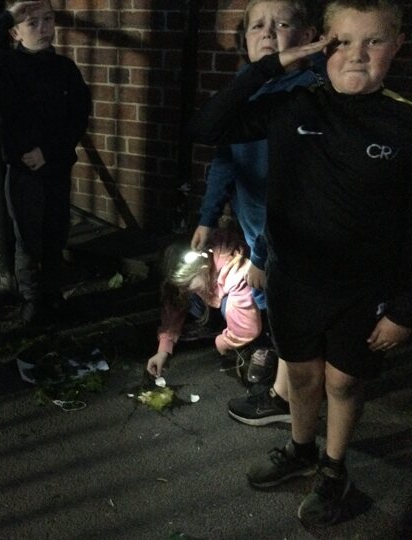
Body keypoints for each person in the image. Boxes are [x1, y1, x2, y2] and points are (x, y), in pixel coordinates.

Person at [191, 0, 412, 527]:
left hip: (365, 290)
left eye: (374, 41)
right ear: (320, 45)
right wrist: (275, 65)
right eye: (342, 42)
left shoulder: (405, 121)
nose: (357, 55)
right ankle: (301, 449)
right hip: (293, 280)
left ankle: (334, 469)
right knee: (303, 375)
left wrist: (405, 309)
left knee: (343, 383)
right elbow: (207, 126)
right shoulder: (295, 104)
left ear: (398, 46)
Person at [192, 0, 323, 397]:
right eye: (257, 26)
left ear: (307, 36)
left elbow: (296, 188)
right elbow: (225, 157)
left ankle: (288, 377)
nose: (267, 32)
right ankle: (267, 343)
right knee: (264, 291)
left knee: (288, 297)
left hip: (287, 229)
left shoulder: (309, 93)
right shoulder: (244, 92)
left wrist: (263, 254)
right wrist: (208, 216)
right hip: (253, 221)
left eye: (281, 24)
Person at [0, 0, 92, 324]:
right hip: (25, 172)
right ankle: (32, 300)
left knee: (55, 234)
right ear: (15, 32)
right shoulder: (7, 66)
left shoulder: (65, 68)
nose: (43, 28)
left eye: (48, 19)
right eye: (32, 22)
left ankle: (53, 294)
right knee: (28, 237)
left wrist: (48, 151)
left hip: (56, 166)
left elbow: (78, 117)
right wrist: (9, 15)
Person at [147, 229, 262, 378]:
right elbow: (174, 300)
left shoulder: (236, 272)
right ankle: (214, 325)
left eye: (186, 284)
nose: (182, 290)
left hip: (255, 305)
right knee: (182, 293)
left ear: (202, 268)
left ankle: (264, 345)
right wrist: (163, 349)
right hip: (212, 289)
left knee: (227, 305)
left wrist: (224, 341)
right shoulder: (193, 267)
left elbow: (247, 327)